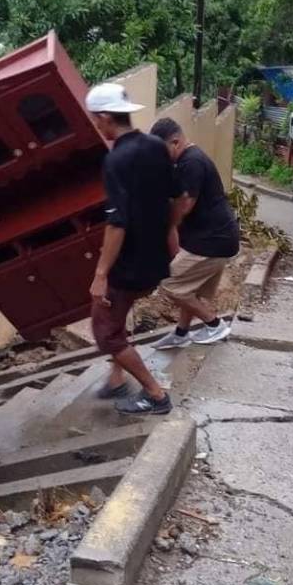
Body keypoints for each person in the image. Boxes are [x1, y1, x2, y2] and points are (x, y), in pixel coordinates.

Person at [85, 82, 178, 416]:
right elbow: (171, 199)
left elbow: (117, 223)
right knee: (117, 318)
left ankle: (155, 395)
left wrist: (100, 274)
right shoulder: (156, 146)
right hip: (154, 260)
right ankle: (115, 378)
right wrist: (170, 239)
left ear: (107, 117)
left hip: (128, 266)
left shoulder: (115, 161)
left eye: (97, 119)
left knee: (106, 332)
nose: (96, 125)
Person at [150, 117, 240, 348]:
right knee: (192, 291)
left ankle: (214, 325)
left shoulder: (192, 162)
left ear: (176, 141)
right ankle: (181, 334)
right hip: (213, 237)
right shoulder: (186, 161)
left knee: (170, 282)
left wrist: (162, 223)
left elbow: (185, 204)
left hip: (213, 241)